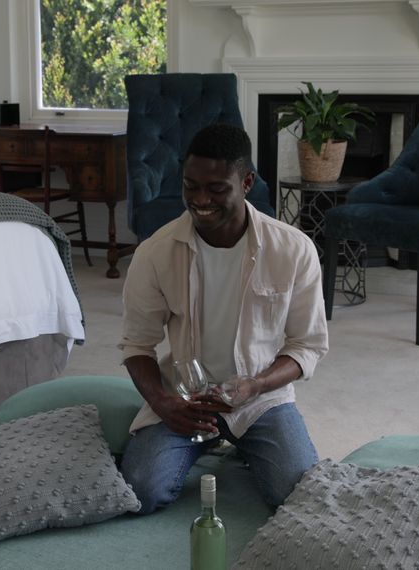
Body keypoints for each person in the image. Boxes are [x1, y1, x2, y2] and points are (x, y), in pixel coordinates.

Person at [118, 123, 328, 514]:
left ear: (246, 182)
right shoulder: (155, 252)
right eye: (190, 186)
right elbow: (137, 344)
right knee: (141, 491)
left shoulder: (293, 250)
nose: (200, 200)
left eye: (216, 189)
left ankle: (242, 444)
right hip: (185, 400)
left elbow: (307, 346)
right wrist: (163, 403)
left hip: (261, 401)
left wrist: (255, 385)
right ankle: (213, 445)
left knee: (296, 498)